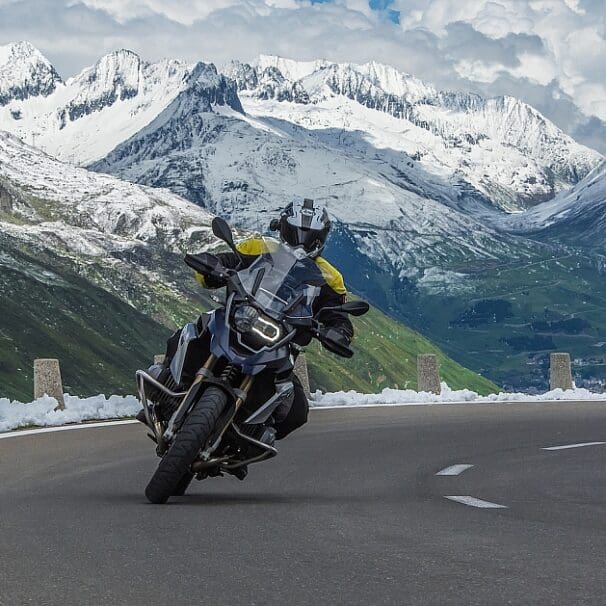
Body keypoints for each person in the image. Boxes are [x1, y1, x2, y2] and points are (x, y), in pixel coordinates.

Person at [148, 198, 353, 441]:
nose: (301, 242)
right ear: (282, 229)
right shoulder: (259, 247)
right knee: (193, 332)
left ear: (321, 239)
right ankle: (165, 383)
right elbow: (229, 261)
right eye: (295, 232)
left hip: (281, 342)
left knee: (296, 412)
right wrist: (212, 267)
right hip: (238, 319)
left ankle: (248, 440)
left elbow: (337, 314)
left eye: (310, 237)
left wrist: (338, 331)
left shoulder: (331, 278)